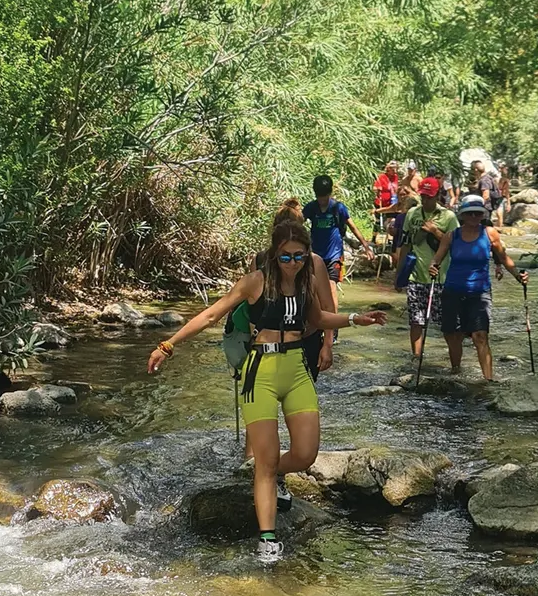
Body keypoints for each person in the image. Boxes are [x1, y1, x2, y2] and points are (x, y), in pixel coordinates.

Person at [148, 221, 388, 561]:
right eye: (286, 257)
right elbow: (211, 315)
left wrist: (354, 319)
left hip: (297, 371)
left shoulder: (306, 281)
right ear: (274, 254)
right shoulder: (255, 282)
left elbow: (318, 319)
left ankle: (271, 472)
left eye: (299, 256)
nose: (293, 263)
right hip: (259, 372)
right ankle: (268, 538)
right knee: (266, 458)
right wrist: (168, 345)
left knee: (305, 454)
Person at [427, 195, 526, 381]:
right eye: (469, 213)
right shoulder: (451, 236)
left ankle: (488, 380)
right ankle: (456, 372)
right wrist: (433, 266)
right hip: (453, 291)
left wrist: (518, 275)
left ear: (482, 215)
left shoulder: (490, 233)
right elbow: (437, 258)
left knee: (480, 335)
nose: (473, 216)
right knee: (453, 336)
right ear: (462, 215)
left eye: (477, 213)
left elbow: (504, 258)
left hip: (479, 293)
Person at [254, 198, 335, 378]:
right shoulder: (260, 260)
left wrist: (327, 345)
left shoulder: (314, 262)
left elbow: (328, 308)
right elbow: (250, 306)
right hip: (266, 345)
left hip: (306, 341)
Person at [305, 175, 375, 338]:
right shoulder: (311, 208)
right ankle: (319, 323)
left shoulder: (338, 208)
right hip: (316, 257)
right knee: (315, 290)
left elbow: (353, 226)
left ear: (330, 193)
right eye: (319, 197)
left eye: (324, 196)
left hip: (334, 256)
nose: (322, 200)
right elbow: (297, 222)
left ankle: (332, 331)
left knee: (330, 289)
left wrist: (365, 246)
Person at [396, 177, 458, 358]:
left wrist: (434, 231)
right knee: (416, 321)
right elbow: (406, 244)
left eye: (429, 197)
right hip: (415, 276)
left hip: (441, 278)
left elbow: (455, 245)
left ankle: (455, 364)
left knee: (446, 325)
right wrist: (399, 274)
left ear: (437, 195)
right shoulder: (412, 214)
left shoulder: (448, 217)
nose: (426, 200)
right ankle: (417, 358)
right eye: (423, 196)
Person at [372, 161, 399, 250]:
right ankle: (373, 238)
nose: (394, 170)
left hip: (391, 204)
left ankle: (390, 240)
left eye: (396, 168)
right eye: (392, 168)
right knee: (377, 221)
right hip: (380, 203)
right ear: (388, 169)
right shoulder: (382, 177)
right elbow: (375, 187)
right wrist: (377, 189)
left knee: (391, 222)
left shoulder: (396, 177)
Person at [496, 163, 512, 227]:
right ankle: (499, 227)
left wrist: (508, 203)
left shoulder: (505, 180)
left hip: (500, 197)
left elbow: (506, 192)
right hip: (498, 197)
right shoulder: (500, 178)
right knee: (498, 214)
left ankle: (499, 227)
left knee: (499, 214)